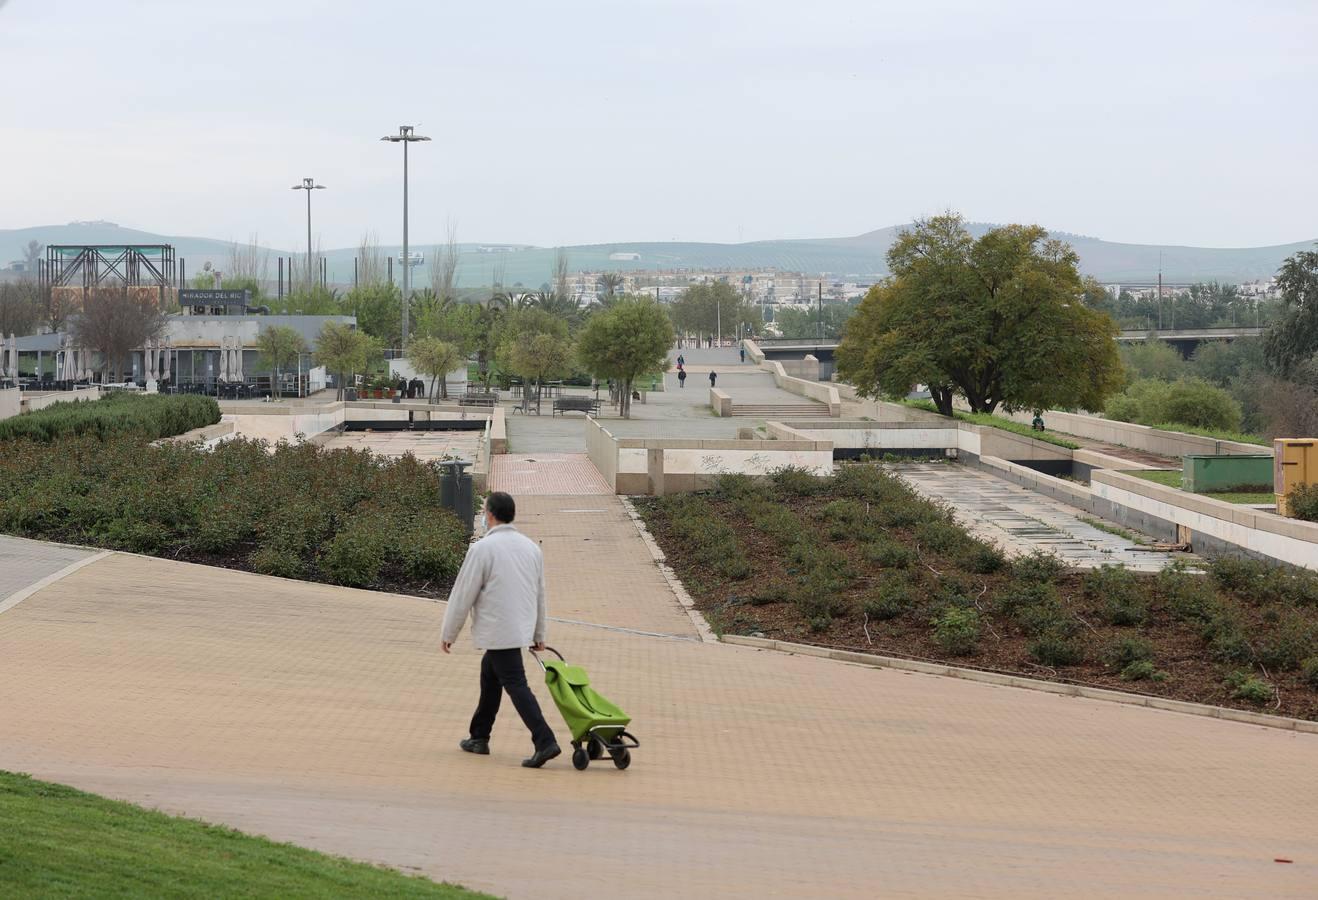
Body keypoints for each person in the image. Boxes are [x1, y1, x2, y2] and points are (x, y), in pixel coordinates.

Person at [442, 492, 560, 768]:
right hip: (518, 627)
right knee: (490, 676)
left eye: (484, 511)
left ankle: (545, 741)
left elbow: (463, 594)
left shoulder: (483, 549)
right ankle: (479, 736)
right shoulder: (531, 548)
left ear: (491, 515)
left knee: (516, 684)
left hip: (498, 630)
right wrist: (539, 634)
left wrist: (449, 633)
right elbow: (540, 594)